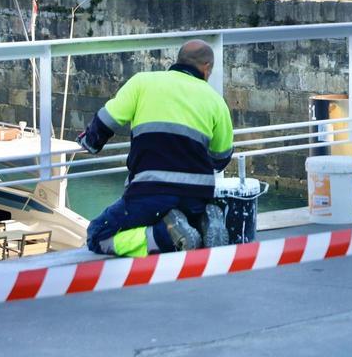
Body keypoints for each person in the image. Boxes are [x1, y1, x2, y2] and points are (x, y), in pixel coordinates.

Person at [77, 40, 234, 256]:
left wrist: (90, 143)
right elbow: (221, 157)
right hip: (197, 196)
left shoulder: (143, 83)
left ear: (178, 60)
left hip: (149, 192)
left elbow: (107, 120)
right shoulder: (216, 101)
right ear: (207, 68)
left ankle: (167, 236)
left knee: (98, 235)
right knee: (183, 212)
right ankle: (199, 222)